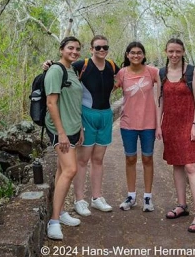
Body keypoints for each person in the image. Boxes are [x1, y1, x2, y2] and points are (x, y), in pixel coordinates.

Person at [158, 38, 195, 233]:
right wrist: (158, 125)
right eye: (171, 51)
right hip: (170, 124)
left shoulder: (191, 71)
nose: (174, 55)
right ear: (166, 51)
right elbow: (160, 100)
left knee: (191, 166)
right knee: (177, 164)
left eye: (178, 51)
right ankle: (181, 205)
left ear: (183, 51)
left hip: (189, 124)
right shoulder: (162, 73)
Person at [71, 35, 120, 217]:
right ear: (91, 49)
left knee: (98, 159)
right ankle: (79, 200)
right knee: (82, 160)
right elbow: (60, 69)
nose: (101, 50)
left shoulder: (112, 66)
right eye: (98, 47)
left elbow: (134, 73)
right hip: (87, 115)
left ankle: (97, 198)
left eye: (104, 47)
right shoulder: (81, 65)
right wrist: (47, 65)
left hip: (106, 115)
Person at [45, 36, 84, 241]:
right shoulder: (55, 70)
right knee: (71, 170)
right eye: (70, 48)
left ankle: (60, 212)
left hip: (73, 127)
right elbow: (51, 103)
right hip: (60, 129)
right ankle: (53, 221)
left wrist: (80, 128)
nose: (74, 51)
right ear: (61, 49)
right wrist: (61, 133)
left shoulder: (73, 71)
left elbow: (74, 101)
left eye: (77, 48)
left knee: (62, 171)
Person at [115, 41, 162, 212]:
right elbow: (104, 87)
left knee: (148, 158)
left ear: (143, 55)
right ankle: (131, 196)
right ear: (127, 55)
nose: (136, 55)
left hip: (149, 123)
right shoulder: (122, 73)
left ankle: (148, 198)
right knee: (130, 159)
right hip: (128, 123)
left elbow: (172, 77)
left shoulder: (152, 72)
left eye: (139, 52)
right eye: (132, 52)